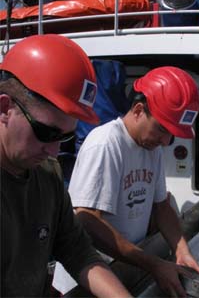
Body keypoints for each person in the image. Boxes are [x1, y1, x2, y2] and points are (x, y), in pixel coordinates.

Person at [0, 34, 131, 297]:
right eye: (47, 133)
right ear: (5, 108)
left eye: (65, 137)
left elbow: (76, 250)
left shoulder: (48, 174)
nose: (54, 150)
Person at [59, 66, 199, 297]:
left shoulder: (153, 148)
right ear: (138, 110)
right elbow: (87, 219)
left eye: (173, 134)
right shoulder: (106, 143)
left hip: (130, 263)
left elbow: (161, 206)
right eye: (162, 129)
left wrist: (181, 250)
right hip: (96, 273)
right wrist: (153, 264)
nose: (166, 141)